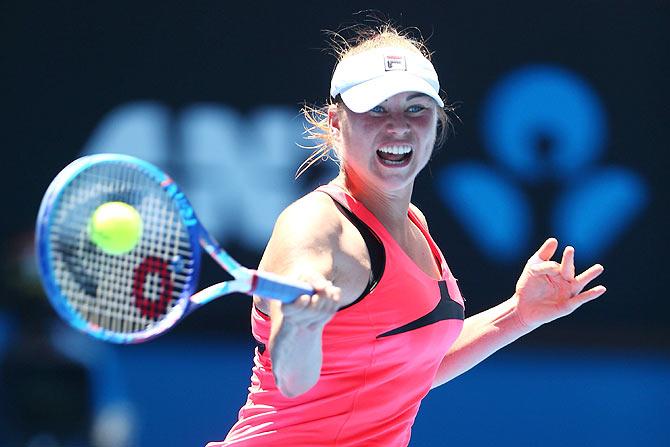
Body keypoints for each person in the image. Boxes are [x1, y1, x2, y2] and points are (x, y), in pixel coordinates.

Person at [207, 24, 606, 447]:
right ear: (336, 122)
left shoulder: (413, 223)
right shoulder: (314, 225)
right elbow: (292, 379)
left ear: (437, 121)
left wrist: (518, 315)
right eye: (376, 109)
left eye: (415, 109)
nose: (397, 126)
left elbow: (404, 374)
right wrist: (301, 327)